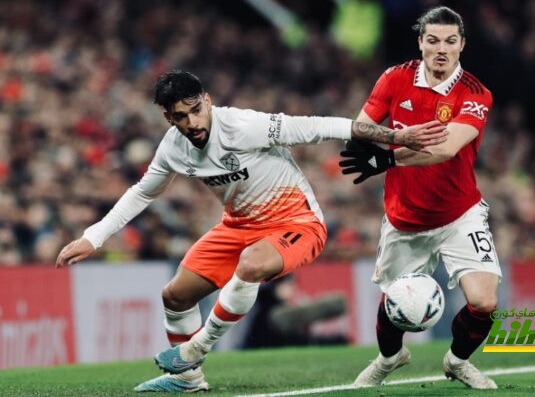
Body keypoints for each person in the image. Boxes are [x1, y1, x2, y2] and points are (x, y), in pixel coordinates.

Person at [55, 70, 446, 392]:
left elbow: (319, 126)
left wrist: (394, 137)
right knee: (175, 295)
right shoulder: (173, 147)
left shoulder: (244, 126)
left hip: (297, 223)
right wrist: (94, 237)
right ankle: (189, 381)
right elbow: (142, 193)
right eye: (180, 117)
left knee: (251, 264)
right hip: (238, 226)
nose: (191, 123)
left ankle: (195, 350)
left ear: (207, 101)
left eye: (195, 111)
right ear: (168, 118)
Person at [340, 6, 501, 389]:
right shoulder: (394, 78)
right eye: (433, 41)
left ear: (462, 45)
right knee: (395, 307)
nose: (441, 49)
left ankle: (457, 360)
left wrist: (387, 156)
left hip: (459, 213)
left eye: (449, 41)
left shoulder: (476, 94)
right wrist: (383, 141)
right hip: (405, 217)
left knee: (484, 303)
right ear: (420, 43)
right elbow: (361, 126)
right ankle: (390, 357)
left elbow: (446, 148)